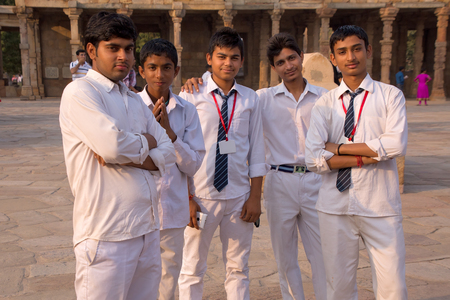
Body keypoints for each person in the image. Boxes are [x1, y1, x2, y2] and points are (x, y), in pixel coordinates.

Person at [59, 12, 176, 300]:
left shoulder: (134, 99)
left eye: (128, 48)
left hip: (146, 230)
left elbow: (169, 150)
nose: (122, 56)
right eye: (113, 47)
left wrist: (125, 151)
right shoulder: (80, 92)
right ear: (91, 50)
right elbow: (111, 146)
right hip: (106, 234)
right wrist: (142, 145)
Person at [305, 25, 408, 300]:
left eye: (356, 49)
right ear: (332, 58)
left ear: (368, 50)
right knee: (337, 287)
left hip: (380, 205)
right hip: (334, 207)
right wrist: (368, 155)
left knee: (393, 288)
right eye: (342, 52)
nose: (350, 57)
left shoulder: (390, 96)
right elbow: (313, 158)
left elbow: (395, 144)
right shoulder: (324, 104)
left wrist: (337, 148)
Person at [178, 27, 268, 300]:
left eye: (234, 57)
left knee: (238, 267)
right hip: (202, 196)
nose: (228, 63)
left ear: (241, 61)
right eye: (221, 56)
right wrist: (187, 198)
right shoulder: (191, 95)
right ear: (209, 58)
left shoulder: (251, 98)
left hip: (238, 197)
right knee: (193, 267)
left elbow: (258, 150)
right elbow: (178, 152)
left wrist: (255, 197)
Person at [256, 33, 328, 300]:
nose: (288, 66)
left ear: (301, 58)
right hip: (279, 181)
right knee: (285, 257)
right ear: (274, 68)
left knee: (322, 254)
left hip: (316, 180)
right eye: (280, 62)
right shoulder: (263, 99)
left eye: (292, 58)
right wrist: (199, 82)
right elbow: (232, 100)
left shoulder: (324, 97)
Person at [137, 38, 206, 300]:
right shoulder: (130, 106)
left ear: (176, 71)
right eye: (152, 67)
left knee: (168, 280)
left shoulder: (187, 111)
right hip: (137, 208)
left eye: (166, 67)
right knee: (136, 277)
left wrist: (170, 134)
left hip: (172, 210)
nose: (159, 74)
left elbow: (193, 165)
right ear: (141, 71)